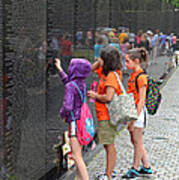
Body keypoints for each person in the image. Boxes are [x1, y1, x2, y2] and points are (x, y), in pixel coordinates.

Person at [88, 46, 123, 180]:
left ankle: (109, 175)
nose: (98, 60)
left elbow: (108, 97)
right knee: (107, 144)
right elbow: (90, 69)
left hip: (107, 116)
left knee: (109, 145)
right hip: (103, 114)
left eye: (101, 58)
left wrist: (95, 95)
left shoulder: (111, 76)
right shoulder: (105, 72)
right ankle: (109, 172)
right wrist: (99, 61)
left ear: (107, 61)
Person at [55, 58, 91, 180]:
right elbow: (68, 82)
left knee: (76, 156)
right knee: (78, 154)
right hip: (81, 121)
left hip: (74, 123)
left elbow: (67, 106)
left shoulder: (71, 85)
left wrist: (62, 115)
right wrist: (60, 69)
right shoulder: (81, 83)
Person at [122, 48, 152, 179]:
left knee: (137, 141)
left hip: (138, 113)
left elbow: (141, 100)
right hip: (133, 111)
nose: (125, 64)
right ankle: (146, 166)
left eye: (127, 61)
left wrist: (133, 119)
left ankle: (135, 168)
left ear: (136, 61)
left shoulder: (141, 77)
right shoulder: (134, 75)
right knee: (135, 140)